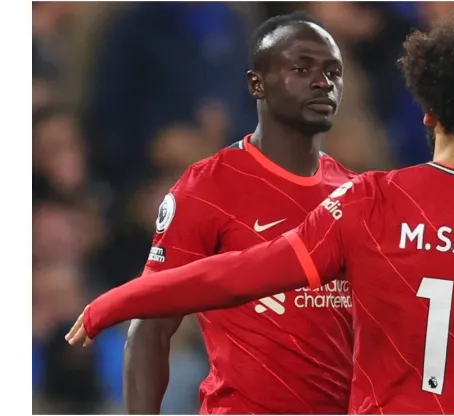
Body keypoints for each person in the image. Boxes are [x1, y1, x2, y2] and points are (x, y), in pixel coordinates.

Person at [68, 10, 454, 414]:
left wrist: (112, 302)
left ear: (427, 112)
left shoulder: (372, 200)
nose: (322, 83)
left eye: (330, 71)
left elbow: (239, 275)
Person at [120, 12, 354, 415]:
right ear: (256, 83)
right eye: (302, 68)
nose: (323, 82)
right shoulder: (208, 187)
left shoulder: (356, 194)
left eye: (333, 71)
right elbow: (150, 326)